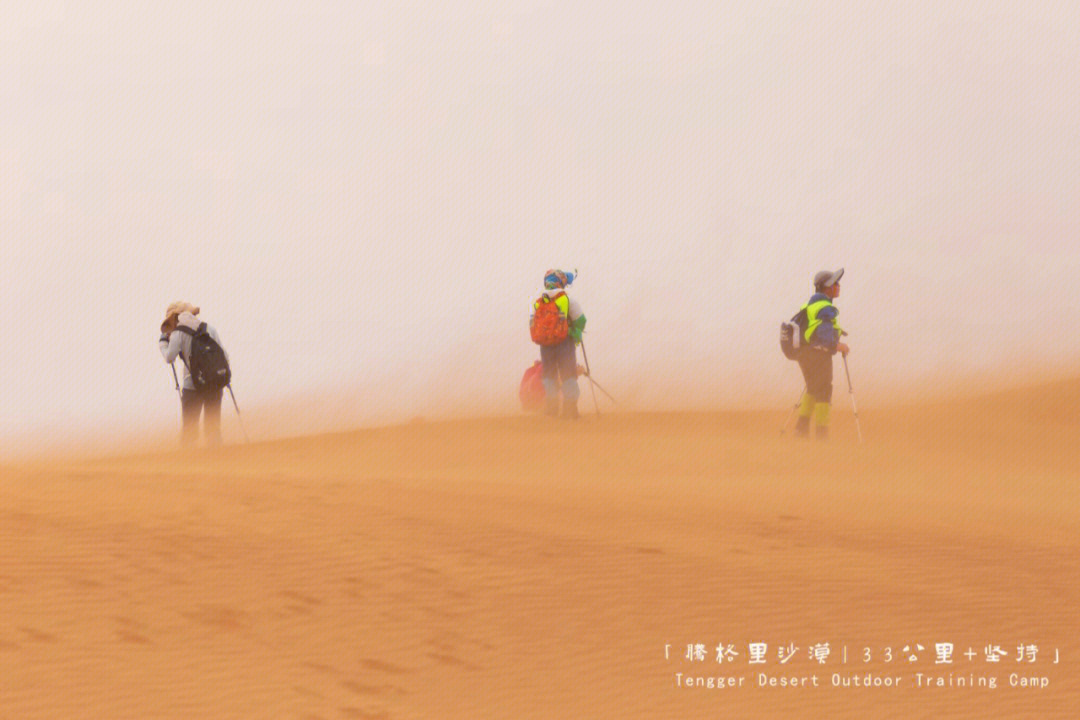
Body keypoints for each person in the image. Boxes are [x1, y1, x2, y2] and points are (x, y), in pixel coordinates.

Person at [159, 302, 229, 446]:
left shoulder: (178, 334)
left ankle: (190, 463)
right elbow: (224, 355)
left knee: (190, 430)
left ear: (175, 318)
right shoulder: (208, 327)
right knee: (213, 428)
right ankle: (219, 461)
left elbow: (169, 357)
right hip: (215, 382)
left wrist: (163, 344)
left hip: (192, 385)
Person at [794, 269, 849, 439]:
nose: (838, 286)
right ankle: (822, 436)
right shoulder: (826, 308)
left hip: (804, 354)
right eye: (835, 283)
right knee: (824, 391)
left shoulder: (810, 305)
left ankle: (801, 430)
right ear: (826, 288)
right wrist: (837, 345)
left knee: (812, 389)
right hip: (818, 354)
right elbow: (824, 334)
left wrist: (837, 331)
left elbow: (814, 326)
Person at [530, 269, 586, 419]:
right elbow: (581, 320)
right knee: (568, 375)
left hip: (545, 344)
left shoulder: (538, 302)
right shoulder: (566, 299)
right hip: (564, 343)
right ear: (560, 282)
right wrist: (576, 332)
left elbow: (533, 322)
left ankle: (551, 408)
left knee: (549, 375)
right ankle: (570, 411)